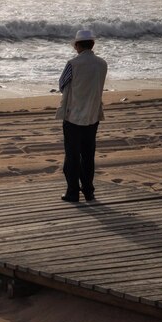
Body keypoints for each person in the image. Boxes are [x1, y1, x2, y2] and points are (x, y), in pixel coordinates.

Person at [56, 30, 108, 202]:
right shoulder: (102, 64)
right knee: (88, 155)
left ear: (78, 45)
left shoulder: (73, 63)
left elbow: (62, 84)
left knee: (72, 155)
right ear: (92, 44)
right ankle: (88, 191)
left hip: (73, 115)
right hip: (93, 114)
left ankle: (73, 192)